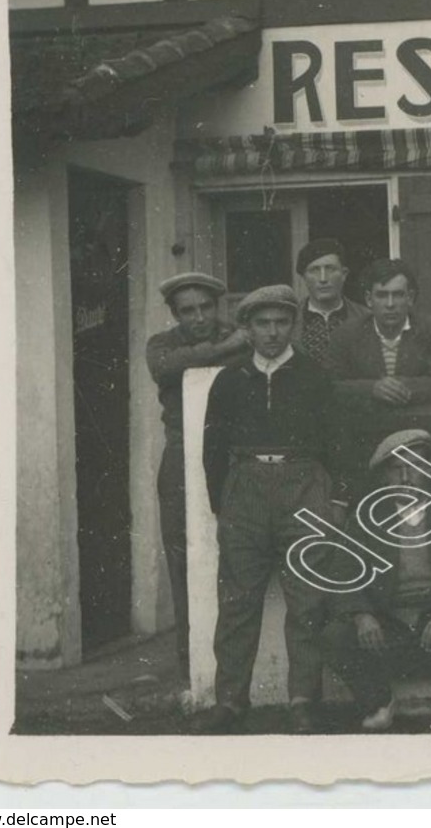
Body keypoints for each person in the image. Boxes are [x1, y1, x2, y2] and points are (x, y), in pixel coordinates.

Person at [191, 285, 335, 734]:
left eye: (281, 323)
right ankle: (231, 702)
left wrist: (329, 501)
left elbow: (337, 443)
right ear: (248, 329)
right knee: (237, 602)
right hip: (246, 489)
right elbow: (212, 448)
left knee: (307, 601)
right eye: (262, 324)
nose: (272, 333)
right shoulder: (230, 380)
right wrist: (226, 505)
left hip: (304, 485)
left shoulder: (315, 377)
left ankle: (302, 700)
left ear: (292, 326)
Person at [318, 430, 431, 732]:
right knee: (335, 635)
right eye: (397, 469)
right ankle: (379, 703)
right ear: (385, 477)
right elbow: (341, 578)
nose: (406, 477)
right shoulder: (365, 517)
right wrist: (361, 616)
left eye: (415, 467)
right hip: (387, 624)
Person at [144, 271, 250, 675]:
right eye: (188, 311)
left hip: (233, 450)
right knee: (180, 548)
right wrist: (223, 347)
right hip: (181, 451)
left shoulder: (243, 334)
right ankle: (190, 651)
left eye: (206, 307)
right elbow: (166, 368)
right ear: (175, 314)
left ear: (218, 306)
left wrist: (227, 346)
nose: (199, 317)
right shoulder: (162, 343)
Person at [327, 258, 431, 407]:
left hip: (419, 420)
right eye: (381, 295)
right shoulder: (345, 334)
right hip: (365, 424)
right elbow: (331, 386)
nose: (390, 304)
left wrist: (398, 387)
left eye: (398, 295)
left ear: (410, 298)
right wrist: (372, 388)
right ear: (369, 299)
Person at [291, 238, 370, 370]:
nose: (323, 279)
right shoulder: (290, 319)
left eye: (330, 269)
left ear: (344, 274)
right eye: (314, 270)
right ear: (304, 277)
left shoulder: (367, 318)